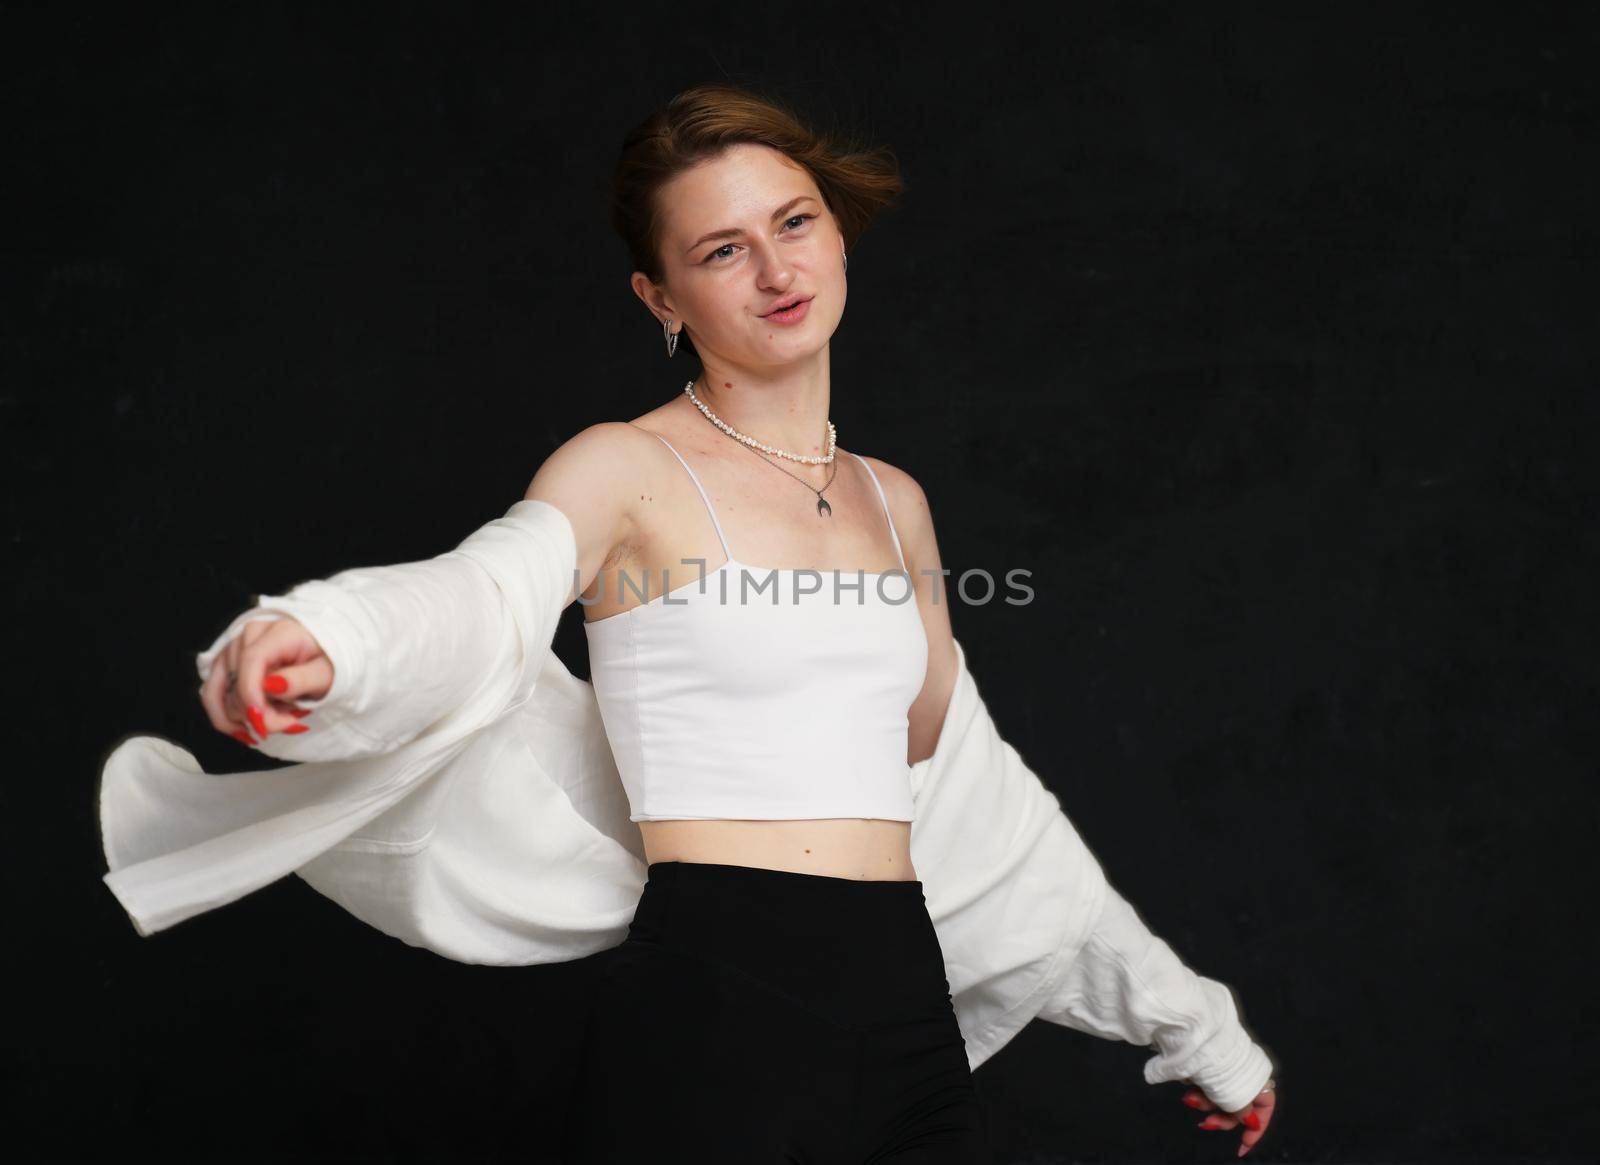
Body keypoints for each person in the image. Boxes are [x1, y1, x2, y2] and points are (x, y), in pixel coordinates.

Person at [103, 83, 1278, 1163]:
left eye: (795, 221)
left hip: (904, 1005)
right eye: (723, 249)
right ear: (659, 296)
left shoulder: (893, 499)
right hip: (724, 1010)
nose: (775, 270)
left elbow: (973, 791)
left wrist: (1193, 1023)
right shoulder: (627, 468)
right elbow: (487, 588)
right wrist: (332, 639)